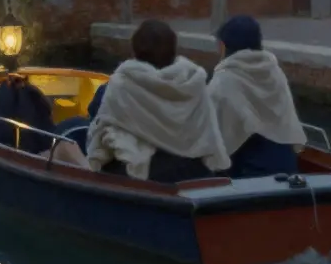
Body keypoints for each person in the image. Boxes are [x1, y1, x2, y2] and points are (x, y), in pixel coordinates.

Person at [85, 20, 230, 183]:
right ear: (173, 50)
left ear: (135, 50)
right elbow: (208, 132)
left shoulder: (120, 85)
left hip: (144, 175)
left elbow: (98, 128)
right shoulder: (194, 83)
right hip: (192, 170)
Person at [207, 15, 307, 178]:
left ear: (223, 47)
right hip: (288, 169)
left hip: (247, 177)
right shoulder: (275, 72)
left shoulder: (222, 81)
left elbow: (212, 140)